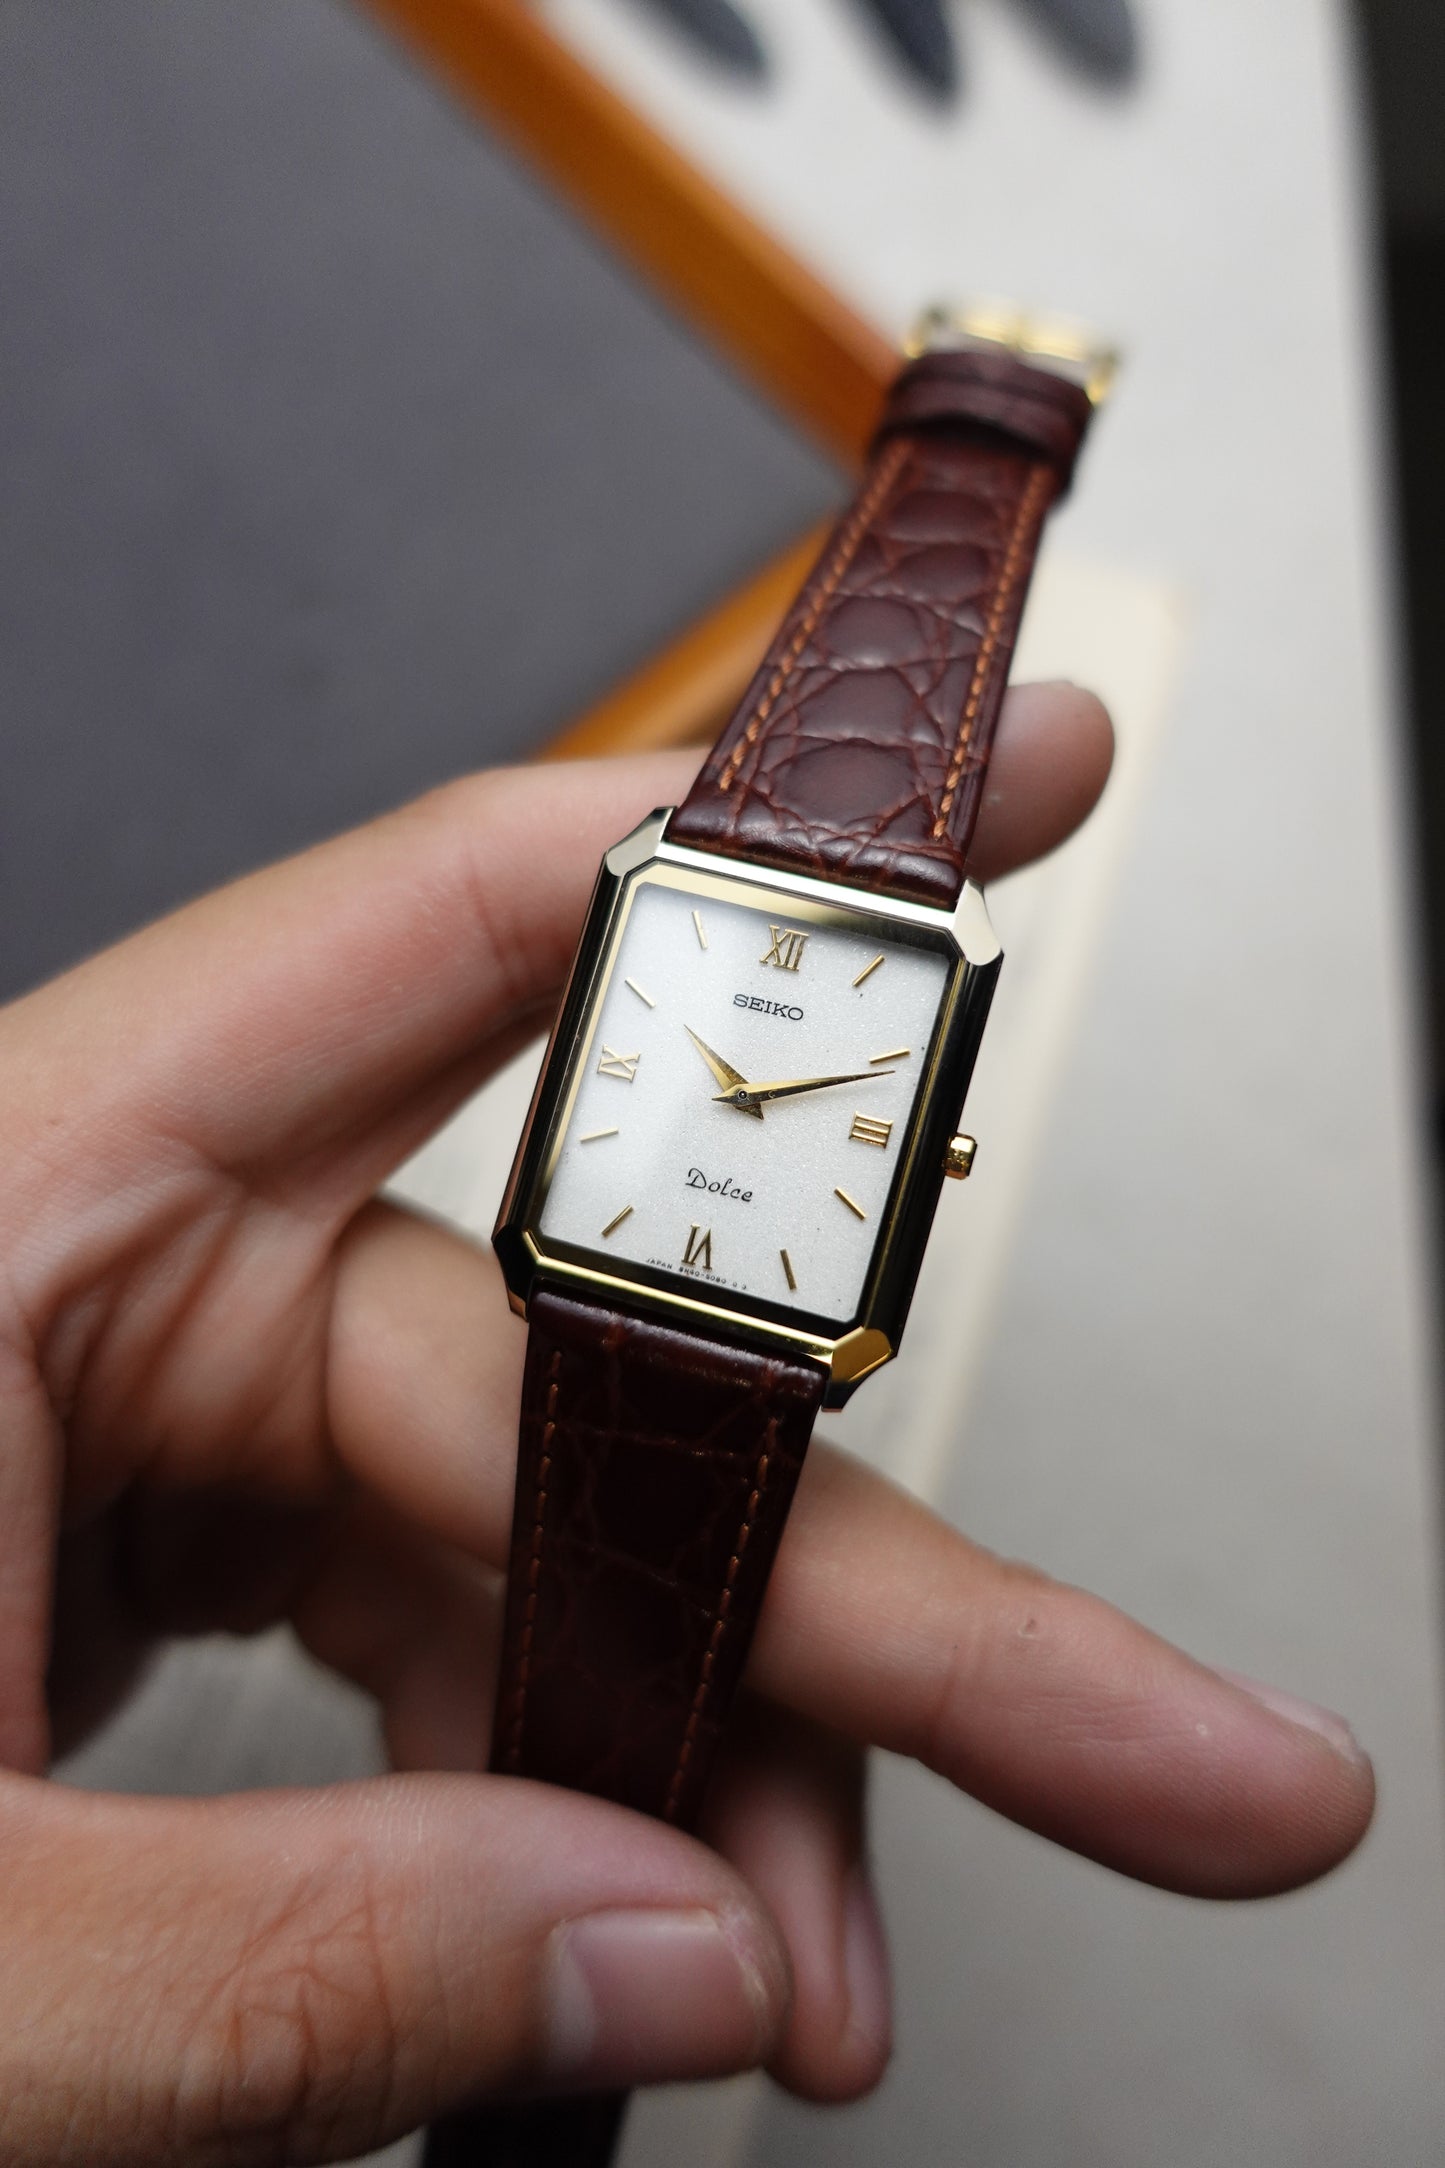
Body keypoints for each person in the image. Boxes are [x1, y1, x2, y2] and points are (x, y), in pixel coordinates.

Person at [0, 685, 1372, 2164]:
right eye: (732, 1082)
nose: (740, 1097)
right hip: (597, 1287)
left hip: (738, 1325)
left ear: (932, 1152)